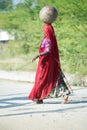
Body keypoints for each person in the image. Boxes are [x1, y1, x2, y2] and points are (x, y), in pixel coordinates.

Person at [28, 23, 62, 104]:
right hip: (44, 62)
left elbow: (48, 50)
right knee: (40, 79)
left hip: (46, 63)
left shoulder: (48, 39)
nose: (43, 31)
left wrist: (38, 55)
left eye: (45, 30)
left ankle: (37, 97)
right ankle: (38, 98)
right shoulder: (46, 38)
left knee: (41, 79)